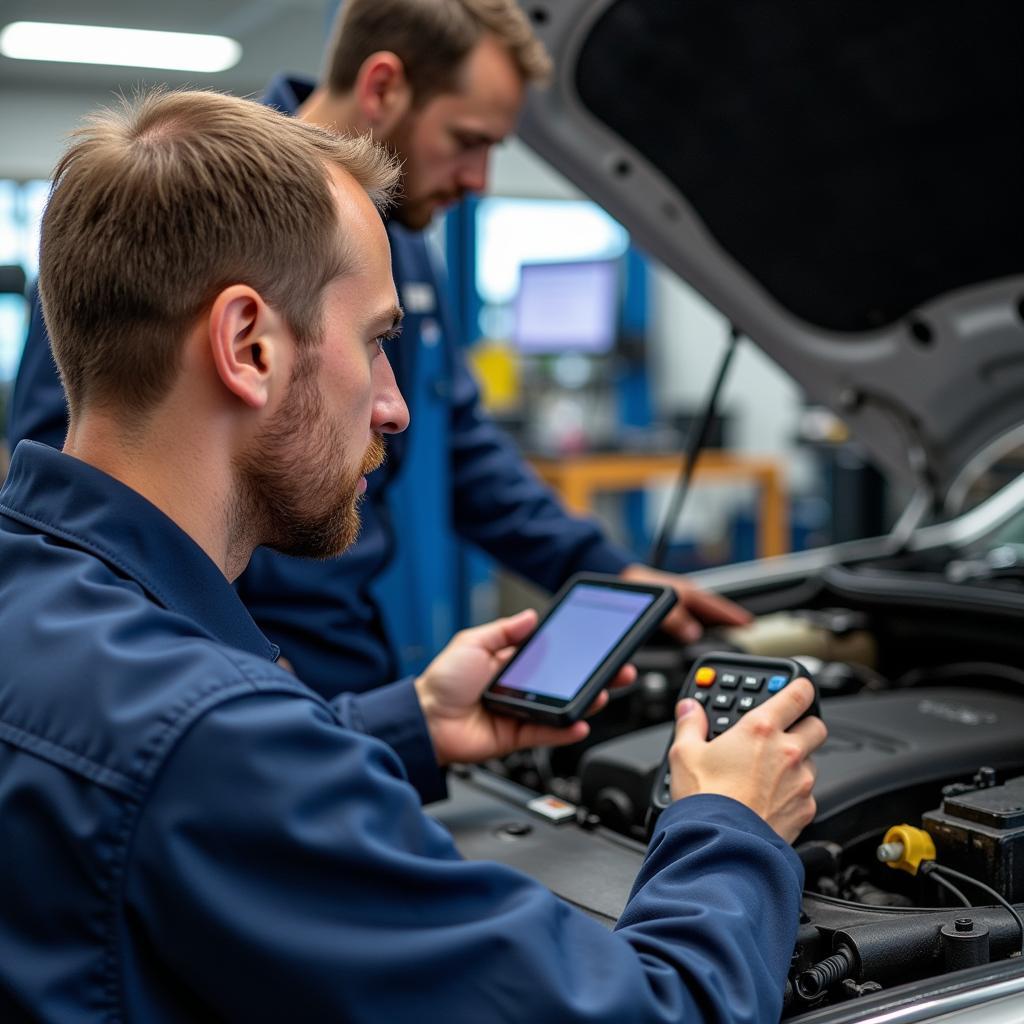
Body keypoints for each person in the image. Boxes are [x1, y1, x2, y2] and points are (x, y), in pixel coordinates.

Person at [0, 89, 826, 1022]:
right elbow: (662, 1012)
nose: (394, 406)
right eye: (378, 341)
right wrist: (732, 825)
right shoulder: (215, 741)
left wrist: (413, 722)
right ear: (248, 346)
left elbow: (164, 792)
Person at [6, 0, 751, 697]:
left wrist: (607, 570)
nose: (479, 180)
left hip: (342, 667)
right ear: (384, 87)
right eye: (468, 141)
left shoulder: (400, 240)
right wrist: (225, 673)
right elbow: (91, 462)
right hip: (224, 676)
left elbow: (457, 441)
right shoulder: (185, 201)